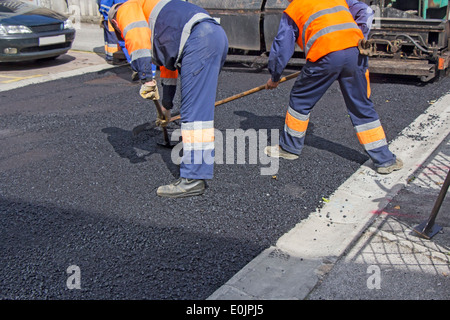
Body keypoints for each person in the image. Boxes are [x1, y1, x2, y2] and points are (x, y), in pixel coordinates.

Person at [264, 0, 403, 175]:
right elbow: (366, 11)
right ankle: (385, 160)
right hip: (355, 52)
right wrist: (360, 36)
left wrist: (275, 76)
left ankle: (289, 148)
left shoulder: (294, 9)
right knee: (361, 105)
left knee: (300, 99)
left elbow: (283, 45)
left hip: (325, 54)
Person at [108, 0, 228, 198]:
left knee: (195, 113)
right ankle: (196, 169)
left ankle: (193, 179)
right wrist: (166, 106)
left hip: (199, 40)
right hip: (214, 35)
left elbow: (136, 38)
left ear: (114, 22)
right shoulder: (160, 21)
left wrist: (146, 78)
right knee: (199, 107)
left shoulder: (124, 8)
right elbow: (168, 69)